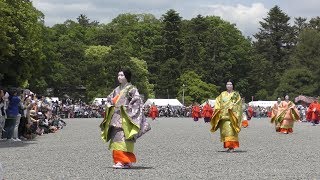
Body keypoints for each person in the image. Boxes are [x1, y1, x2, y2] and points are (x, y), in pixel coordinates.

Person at [100, 69, 151, 169]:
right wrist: (110, 104)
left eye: (122, 75)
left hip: (127, 116)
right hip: (116, 117)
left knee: (126, 139)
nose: (119, 77)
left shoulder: (132, 89)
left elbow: (137, 101)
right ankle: (120, 160)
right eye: (118, 75)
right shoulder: (116, 89)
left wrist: (126, 108)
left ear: (127, 76)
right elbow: (110, 99)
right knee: (116, 138)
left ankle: (125, 161)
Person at [210, 81, 242, 152]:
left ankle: (232, 147)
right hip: (223, 115)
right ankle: (228, 146)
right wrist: (217, 110)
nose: (229, 86)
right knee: (225, 132)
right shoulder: (222, 94)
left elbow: (238, 104)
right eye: (227, 84)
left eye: (230, 84)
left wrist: (232, 107)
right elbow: (218, 102)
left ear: (233, 86)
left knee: (231, 131)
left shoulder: (236, 94)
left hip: (232, 115)